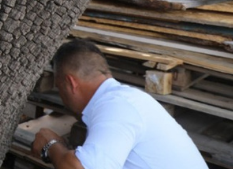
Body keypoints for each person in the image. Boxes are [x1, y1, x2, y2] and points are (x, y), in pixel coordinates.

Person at [32, 39, 207, 169]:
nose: (61, 95)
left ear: (70, 83)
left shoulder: (117, 107)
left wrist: (51, 146)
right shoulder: (125, 99)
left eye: (59, 86)